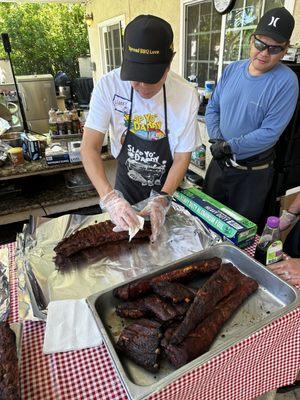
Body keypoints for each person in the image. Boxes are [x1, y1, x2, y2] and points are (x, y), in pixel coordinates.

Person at [81, 15, 200, 241]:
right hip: (125, 183)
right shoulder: (108, 85)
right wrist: (110, 199)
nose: (141, 87)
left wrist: (163, 199)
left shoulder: (186, 94)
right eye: (135, 78)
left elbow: (183, 156)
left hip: (167, 186)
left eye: (151, 79)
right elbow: (89, 148)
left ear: (169, 62)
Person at [202, 7, 299, 224]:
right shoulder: (232, 70)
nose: (264, 53)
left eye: (275, 49)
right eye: (260, 44)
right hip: (219, 165)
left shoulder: (286, 82)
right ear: (250, 39)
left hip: (252, 176)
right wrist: (218, 140)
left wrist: (229, 146)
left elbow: (269, 133)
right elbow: (213, 108)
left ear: (285, 51)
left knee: (240, 233)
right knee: (206, 221)